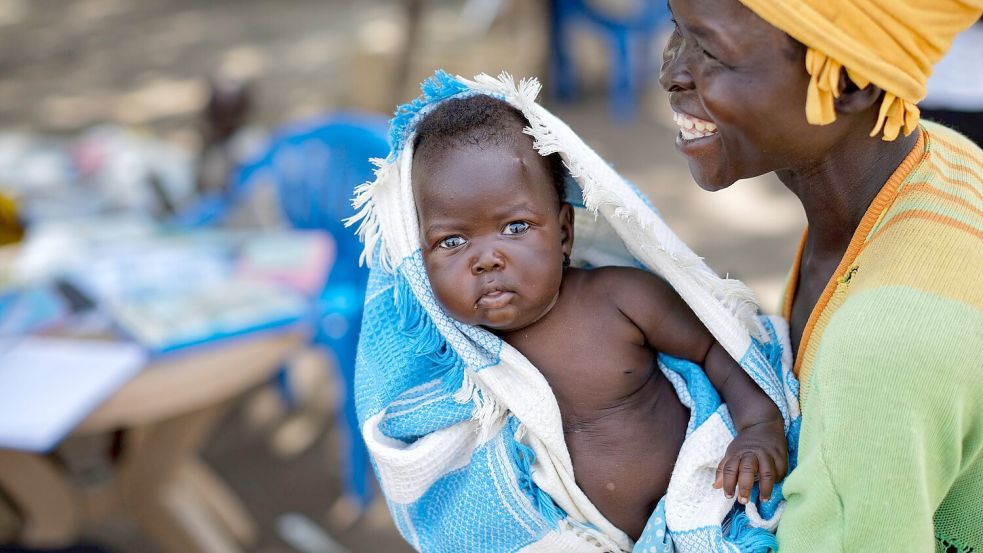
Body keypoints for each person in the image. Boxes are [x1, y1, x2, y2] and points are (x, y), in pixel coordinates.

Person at [659, 0, 983, 550]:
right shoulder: (942, 159)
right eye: (677, 33)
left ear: (852, 83)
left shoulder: (879, 347)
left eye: (711, 51)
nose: (672, 74)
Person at [408, 94, 787, 540]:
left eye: (515, 227)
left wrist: (758, 424)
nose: (487, 258)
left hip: (707, 509)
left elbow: (716, 348)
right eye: (452, 241)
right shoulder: (457, 361)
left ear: (564, 232)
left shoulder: (619, 298)